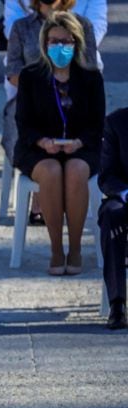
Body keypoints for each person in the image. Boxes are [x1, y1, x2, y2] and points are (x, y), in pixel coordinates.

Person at [14, 11, 104, 275]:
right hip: (38, 148)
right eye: (54, 41)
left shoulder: (90, 78)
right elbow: (23, 123)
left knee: (76, 171)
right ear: (45, 44)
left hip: (81, 147)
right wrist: (43, 142)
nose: (59, 47)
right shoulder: (31, 76)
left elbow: (97, 125)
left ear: (76, 43)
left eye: (66, 41)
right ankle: (56, 249)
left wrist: (78, 142)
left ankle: (74, 247)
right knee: (52, 171)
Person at [3, 1, 98, 226]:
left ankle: (65, 194)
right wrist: (43, 87)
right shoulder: (21, 27)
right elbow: (13, 71)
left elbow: (91, 69)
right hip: (30, 101)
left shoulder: (83, 26)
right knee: (31, 118)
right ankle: (42, 195)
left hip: (74, 100)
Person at [97, 107, 128, 329]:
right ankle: (117, 304)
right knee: (111, 214)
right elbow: (107, 176)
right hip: (125, 198)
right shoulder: (116, 122)